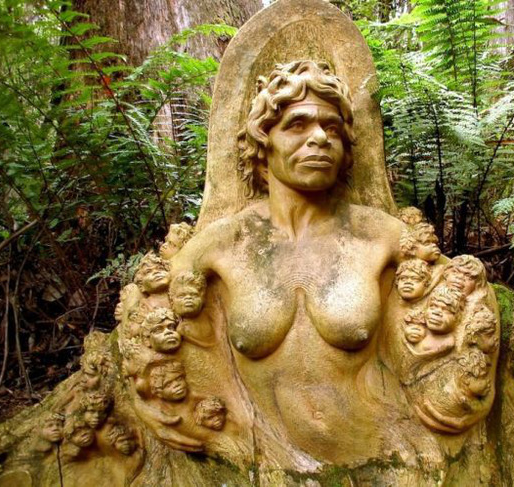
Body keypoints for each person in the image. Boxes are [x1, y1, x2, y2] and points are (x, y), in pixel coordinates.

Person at [171, 60, 408, 463]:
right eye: (297, 124)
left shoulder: (382, 236)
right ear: (263, 143)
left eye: (332, 128)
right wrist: (159, 409)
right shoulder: (220, 244)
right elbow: (151, 328)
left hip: (384, 455)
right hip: (258, 463)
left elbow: (464, 307)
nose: (320, 138)